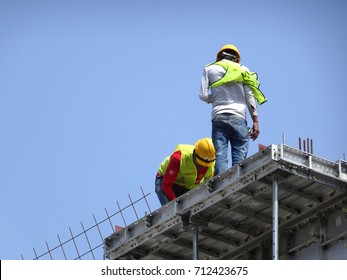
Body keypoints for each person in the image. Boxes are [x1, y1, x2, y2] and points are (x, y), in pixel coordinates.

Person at [199, 44, 266, 175]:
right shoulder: (243, 69)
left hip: (219, 116)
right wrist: (256, 122)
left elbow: (203, 95)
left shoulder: (209, 68)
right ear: (236, 58)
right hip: (239, 118)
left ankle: (222, 184)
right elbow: (249, 96)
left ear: (219, 56)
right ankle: (237, 182)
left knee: (220, 154)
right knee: (239, 156)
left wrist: (214, 98)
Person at [155, 138, 215, 206]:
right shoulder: (179, 158)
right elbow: (166, 185)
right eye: (200, 164)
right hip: (165, 181)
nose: (203, 166)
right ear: (195, 154)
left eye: (206, 165)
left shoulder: (211, 165)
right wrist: (177, 204)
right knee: (173, 210)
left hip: (187, 187)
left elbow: (205, 189)